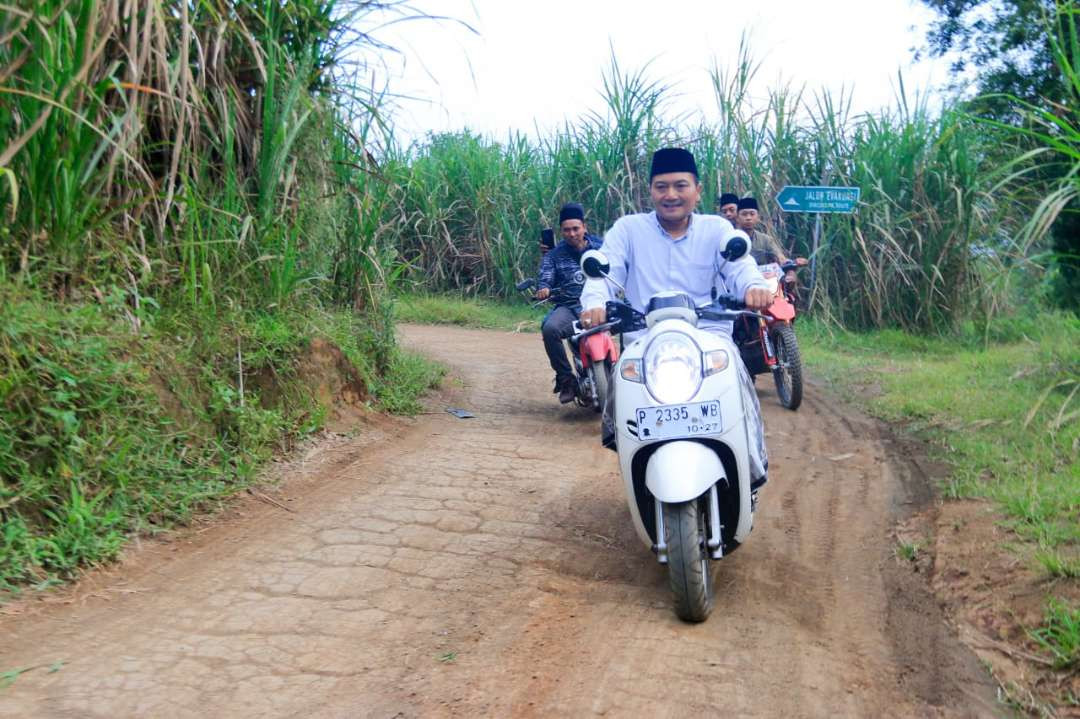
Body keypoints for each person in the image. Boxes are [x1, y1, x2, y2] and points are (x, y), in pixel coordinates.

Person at [579, 148, 772, 487]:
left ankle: (751, 469)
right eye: (661, 186)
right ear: (650, 191)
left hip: (709, 338)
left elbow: (741, 267)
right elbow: (603, 273)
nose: (670, 195)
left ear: (698, 189)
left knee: (740, 393)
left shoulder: (716, 229)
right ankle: (630, 454)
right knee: (620, 403)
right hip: (645, 340)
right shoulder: (628, 230)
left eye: (680, 186)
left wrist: (755, 287)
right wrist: (595, 303)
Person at [538, 202, 603, 403]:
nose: (572, 233)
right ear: (561, 231)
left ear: (584, 227)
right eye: (567, 230)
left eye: (576, 228)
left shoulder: (603, 247)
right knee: (550, 329)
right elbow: (545, 276)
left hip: (600, 305)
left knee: (632, 322)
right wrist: (544, 288)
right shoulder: (554, 255)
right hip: (570, 307)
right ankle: (566, 379)